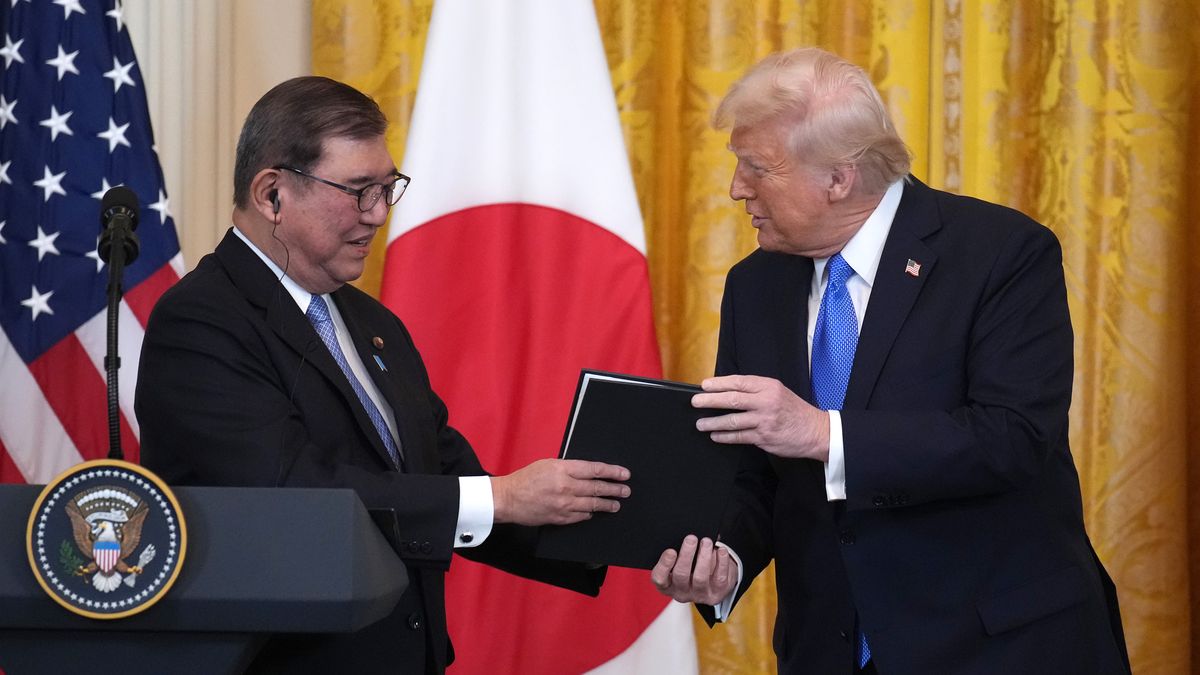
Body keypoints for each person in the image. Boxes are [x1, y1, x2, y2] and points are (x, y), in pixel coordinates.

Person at [650, 47, 1130, 674]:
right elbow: (757, 471)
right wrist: (727, 560)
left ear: (838, 178)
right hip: (829, 651)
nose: (736, 188)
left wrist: (823, 432)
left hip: (996, 647)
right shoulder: (755, 284)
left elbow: (1012, 438)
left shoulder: (1001, 254)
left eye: (756, 168)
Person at [135, 76, 631, 674]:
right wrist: (502, 496)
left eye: (387, 188)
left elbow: (442, 474)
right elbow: (293, 492)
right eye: (357, 190)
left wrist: (624, 536)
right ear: (272, 195)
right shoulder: (202, 319)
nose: (377, 215)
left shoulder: (373, 322)